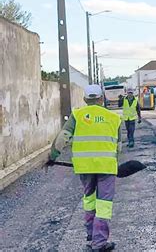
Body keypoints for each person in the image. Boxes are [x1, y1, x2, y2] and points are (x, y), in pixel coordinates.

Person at [49, 84, 121, 251]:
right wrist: (115, 164)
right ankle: (99, 242)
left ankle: (91, 235)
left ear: (84, 99)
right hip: (106, 168)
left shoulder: (78, 115)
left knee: (89, 200)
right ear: (102, 98)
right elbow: (118, 147)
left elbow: (62, 138)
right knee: (104, 204)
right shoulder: (113, 117)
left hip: (85, 168)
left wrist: (52, 156)